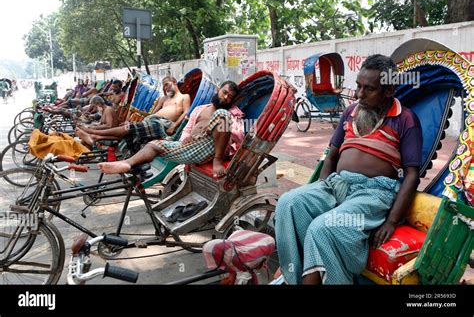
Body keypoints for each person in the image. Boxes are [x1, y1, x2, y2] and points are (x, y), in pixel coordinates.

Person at [275, 54, 422, 285]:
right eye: (358, 86)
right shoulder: (350, 112)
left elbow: (412, 175)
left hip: (373, 194)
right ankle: (293, 277)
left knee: (323, 227)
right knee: (288, 203)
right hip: (337, 184)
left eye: (369, 89)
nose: (359, 94)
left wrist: (392, 220)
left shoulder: (405, 119)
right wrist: (323, 186)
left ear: (389, 91)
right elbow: (331, 157)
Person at [98, 80, 244, 178]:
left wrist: (211, 127)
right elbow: (187, 129)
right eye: (224, 92)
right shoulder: (200, 109)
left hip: (214, 149)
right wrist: (185, 138)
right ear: (218, 90)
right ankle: (127, 163)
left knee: (222, 115)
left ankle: (216, 161)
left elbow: (238, 136)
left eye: (230, 97)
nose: (225, 97)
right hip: (192, 147)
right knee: (154, 145)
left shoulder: (232, 113)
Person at [76, 76, 191, 148]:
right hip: (152, 121)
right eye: (164, 86)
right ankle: (97, 137)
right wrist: (132, 121)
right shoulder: (163, 99)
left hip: (164, 124)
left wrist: (174, 126)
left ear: (174, 82)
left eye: (167, 84)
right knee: (128, 131)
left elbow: (186, 112)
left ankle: (93, 133)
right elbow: (151, 114)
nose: (165, 88)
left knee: (128, 128)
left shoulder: (184, 97)